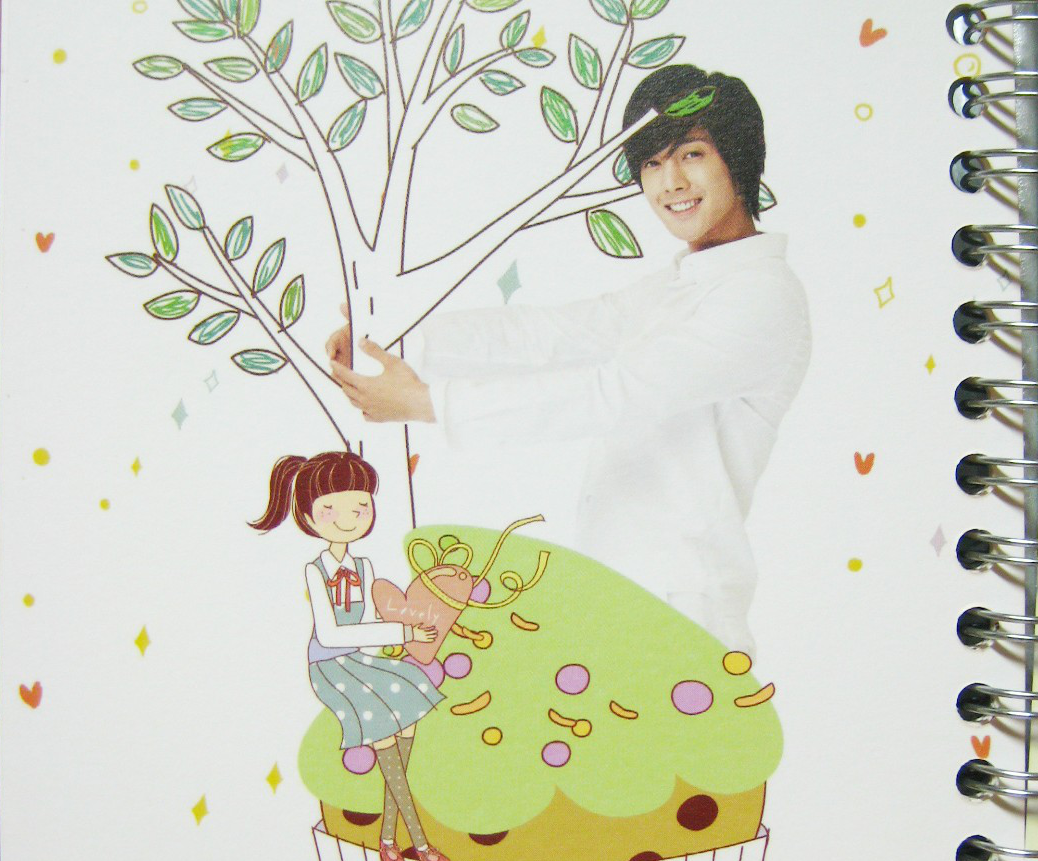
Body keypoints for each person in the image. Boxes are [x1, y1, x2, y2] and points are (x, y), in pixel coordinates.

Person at [326, 65, 810, 654]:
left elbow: (612, 393)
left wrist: (428, 405)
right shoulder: (681, 285)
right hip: (618, 593)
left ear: (737, 157)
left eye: (692, 154)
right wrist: (395, 339)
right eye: (652, 163)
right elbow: (552, 333)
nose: (671, 182)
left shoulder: (760, 296)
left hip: (683, 610)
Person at [251, 450, 455, 861]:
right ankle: (421, 845)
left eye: (360, 507)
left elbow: (366, 626)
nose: (348, 519)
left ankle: (386, 839)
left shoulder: (363, 566)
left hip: (361, 659)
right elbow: (331, 635)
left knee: (405, 726)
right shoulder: (315, 571)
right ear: (309, 516)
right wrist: (402, 632)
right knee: (387, 739)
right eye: (331, 510)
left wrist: (406, 630)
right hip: (330, 666)